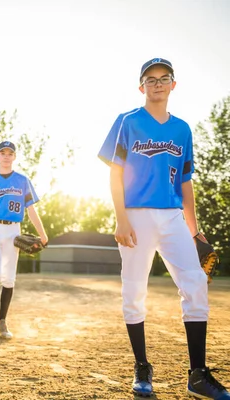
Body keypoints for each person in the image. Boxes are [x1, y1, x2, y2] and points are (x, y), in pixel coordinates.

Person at [98, 57, 230, 399]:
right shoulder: (127, 121)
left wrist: (195, 230)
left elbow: (185, 182)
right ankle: (142, 366)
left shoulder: (182, 129)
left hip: (172, 216)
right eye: (150, 79)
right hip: (136, 215)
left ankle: (198, 374)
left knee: (196, 283)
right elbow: (115, 172)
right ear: (141, 86)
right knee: (134, 291)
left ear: (174, 84)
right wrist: (121, 217)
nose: (157, 84)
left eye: (164, 78)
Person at [0, 141, 48, 341]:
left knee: (9, 277)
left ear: (15, 157)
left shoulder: (22, 180)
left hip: (13, 230)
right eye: (3, 153)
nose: (6, 156)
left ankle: (2, 321)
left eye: (10, 153)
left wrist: (42, 234)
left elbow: (31, 209)